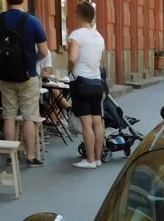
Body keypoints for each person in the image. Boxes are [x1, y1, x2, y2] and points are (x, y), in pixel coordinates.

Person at [0, 0, 49, 166]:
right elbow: (44, 51)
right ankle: (30, 156)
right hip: (27, 75)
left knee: (8, 114)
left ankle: (11, 155)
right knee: (29, 117)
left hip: (5, 75)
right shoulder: (32, 21)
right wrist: (33, 60)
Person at [67, 1, 105, 169]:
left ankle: (89, 159)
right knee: (98, 123)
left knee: (86, 124)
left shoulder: (77, 35)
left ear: (79, 15)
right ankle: (98, 158)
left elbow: (73, 58)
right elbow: (100, 61)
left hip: (81, 82)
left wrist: (69, 70)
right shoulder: (99, 37)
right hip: (96, 83)